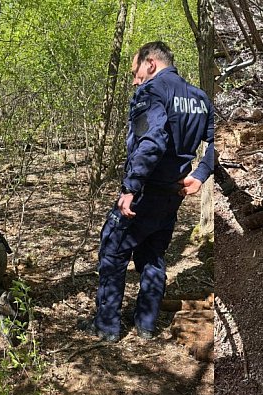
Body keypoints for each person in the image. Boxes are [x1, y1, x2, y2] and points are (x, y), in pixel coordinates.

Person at [82, 41, 215, 342]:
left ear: (150, 64)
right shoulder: (200, 97)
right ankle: (145, 325)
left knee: (113, 252)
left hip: (145, 191)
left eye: (136, 72)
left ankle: (107, 326)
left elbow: (151, 141)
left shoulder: (152, 92)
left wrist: (130, 187)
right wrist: (200, 173)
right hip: (172, 196)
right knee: (153, 254)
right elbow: (216, 142)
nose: (134, 80)